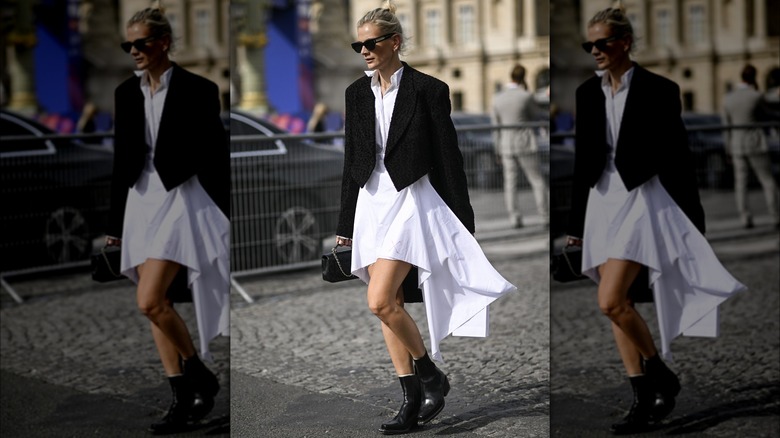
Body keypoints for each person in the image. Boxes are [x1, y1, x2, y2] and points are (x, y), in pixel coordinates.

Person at [336, 2, 516, 435]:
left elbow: (448, 159)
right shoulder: (355, 94)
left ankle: (430, 374)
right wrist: (344, 228)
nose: (364, 50)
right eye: (358, 44)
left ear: (394, 42)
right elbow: (351, 161)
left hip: (411, 201)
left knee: (379, 301)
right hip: (370, 203)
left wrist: (464, 226)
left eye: (371, 42)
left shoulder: (428, 89)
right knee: (389, 307)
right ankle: (411, 399)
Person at [566, 4, 746, 434]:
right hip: (601, 201)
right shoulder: (586, 93)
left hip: (641, 199)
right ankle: (643, 397)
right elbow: (581, 160)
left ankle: (659, 373)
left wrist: (694, 223)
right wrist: (574, 224)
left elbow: (678, 158)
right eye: (589, 44)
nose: (595, 50)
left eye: (603, 42)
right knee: (618, 307)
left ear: (624, 42)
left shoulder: (659, 89)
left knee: (610, 300)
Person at [107, 7, 230, 434]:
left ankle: (199, 373)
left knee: (150, 299)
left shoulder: (199, 88)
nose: (134, 51)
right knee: (157, 307)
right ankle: (183, 396)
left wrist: (223, 211)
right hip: (139, 201)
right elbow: (120, 158)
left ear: (162, 42)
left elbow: (215, 152)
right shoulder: (125, 92)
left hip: (180, 197)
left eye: (141, 43)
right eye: (129, 45)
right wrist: (112, 225)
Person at [722, 64, 780, 229]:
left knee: (741, 184)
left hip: (736, 145)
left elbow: (726, 127)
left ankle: (745, 218)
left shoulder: (728, 98)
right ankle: (775, 216)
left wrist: (728, 148)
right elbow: (768, 114)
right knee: (767, 181)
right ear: (754, 77)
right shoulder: (755, 96)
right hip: (755, 143)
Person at [491, 64, 549, 228]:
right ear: (523, 76)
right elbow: (535, 115)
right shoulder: (526, 96)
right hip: (525, 142)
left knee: (510, 183)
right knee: (537, 180)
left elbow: (495, 127)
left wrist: (497, 149)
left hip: (506, 144)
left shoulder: (497, 97)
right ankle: (544, 216)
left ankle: (514, 217)